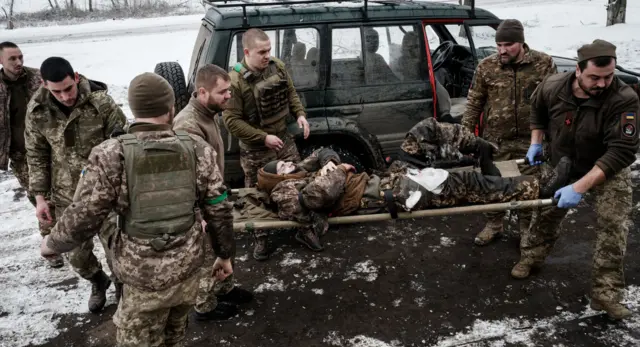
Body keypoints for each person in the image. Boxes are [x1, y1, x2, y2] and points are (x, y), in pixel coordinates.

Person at [39, 72, 257, 347]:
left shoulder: (110, 155)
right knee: (170, 346)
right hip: (187, 268)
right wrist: (225, 254)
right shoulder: (197, 149)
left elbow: (83, 217)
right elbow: (219, 208)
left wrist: (51, 243)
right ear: (171, 108)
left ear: (133, 109)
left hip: (144, 279)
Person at [256, 118, 571, 250]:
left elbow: (323, 153)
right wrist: (335, 168)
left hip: (392, 179)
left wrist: (327, 159)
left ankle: (477, 146)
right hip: (397, 195)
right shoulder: (284, 193)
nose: (291, 164)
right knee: (465, 182)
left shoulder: (298, 173)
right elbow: (320, 197)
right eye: (284, 166)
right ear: (276, 179)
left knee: (423, 130)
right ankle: (537, 187)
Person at [516, 40, 639, 320]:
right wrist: (536, 142)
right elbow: (537, 111)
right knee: (545, 213)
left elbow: (622, 151)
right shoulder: (553, 86)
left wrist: (580, 187)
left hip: (606, 168)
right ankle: (531, 257)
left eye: (608, 76)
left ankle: (606, 294)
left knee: (613, 225)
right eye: (595, 77)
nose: (602, 83)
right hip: (562, 162)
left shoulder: (624, 98)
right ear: (578, 71)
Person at [25, 56, 127, 312]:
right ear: (45, 85)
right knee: (77, 257)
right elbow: (36, 154)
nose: (65, 96)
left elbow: (123, 142)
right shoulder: (38, 110)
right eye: (56, 91)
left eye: (68, 88)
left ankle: (122, 288)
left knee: (118, 251)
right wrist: (39, 197)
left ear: (77, 78)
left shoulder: (100, 102)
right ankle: (97, 280)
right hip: (66, 196)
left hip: (104, 192)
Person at [462, 19, 557, 247]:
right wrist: (465, 134)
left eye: (508, 45)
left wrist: (554, 138)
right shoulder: (487, 67)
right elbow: (474, 102)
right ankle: (495, 224)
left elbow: (554, 103)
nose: (502, 50)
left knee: (528, 187)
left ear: (521, 43)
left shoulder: (543, 64)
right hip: (496, 141)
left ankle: (526, 230)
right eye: (499, 45)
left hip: (530, 141)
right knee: (493, 183)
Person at [174, 64, 253, 321]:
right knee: (208, 255)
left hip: (213, 195)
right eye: (223, 92)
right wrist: (200, 214)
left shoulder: (208, 113)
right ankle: (205, 305)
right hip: (200, 204)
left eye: (229, 90)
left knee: (224, 247)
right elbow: (187, 178)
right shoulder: (188, 125)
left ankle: (224, 288)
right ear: (202, 92)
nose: (229, 96)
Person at [223, 27, 310, 261]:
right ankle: (261, 237)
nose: (267, 56)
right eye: (262, 52)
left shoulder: (277, 66)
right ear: (247, 52)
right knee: (256, 195)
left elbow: (290, 92)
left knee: (299, 182)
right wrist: (263, 138)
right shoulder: (235, 82)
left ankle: (304, 228)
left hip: (283, 139)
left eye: (269, 50)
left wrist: (300, 114)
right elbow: (231, 121)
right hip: (255, 150)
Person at [0, 42, 63, 268]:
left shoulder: (38, 78)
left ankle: (66, 236)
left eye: (20, 57)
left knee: (61, 192)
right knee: (39, 197)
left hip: (50, 148)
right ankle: (51, 244)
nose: (18, 62)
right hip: (20, 154)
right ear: (1, 61)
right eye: (12, 59)